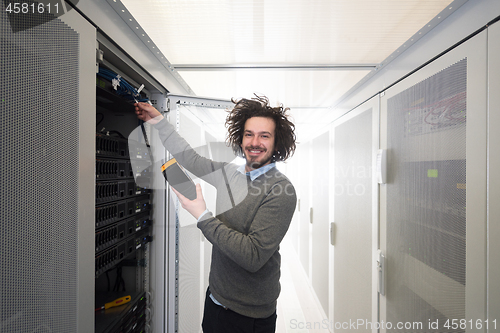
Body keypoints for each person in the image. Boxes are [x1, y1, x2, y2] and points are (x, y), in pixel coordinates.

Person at [135, 95, 297, 333]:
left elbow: (252, 256)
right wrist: (160, 122)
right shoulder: (229, 173)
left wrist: (203, 216)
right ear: (240, 139)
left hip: (249, 314)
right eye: (249, 134)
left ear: (276, 142)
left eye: (265, 135)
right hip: (215, 299)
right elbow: (191, 158)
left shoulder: (281, 190)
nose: (255, 142)